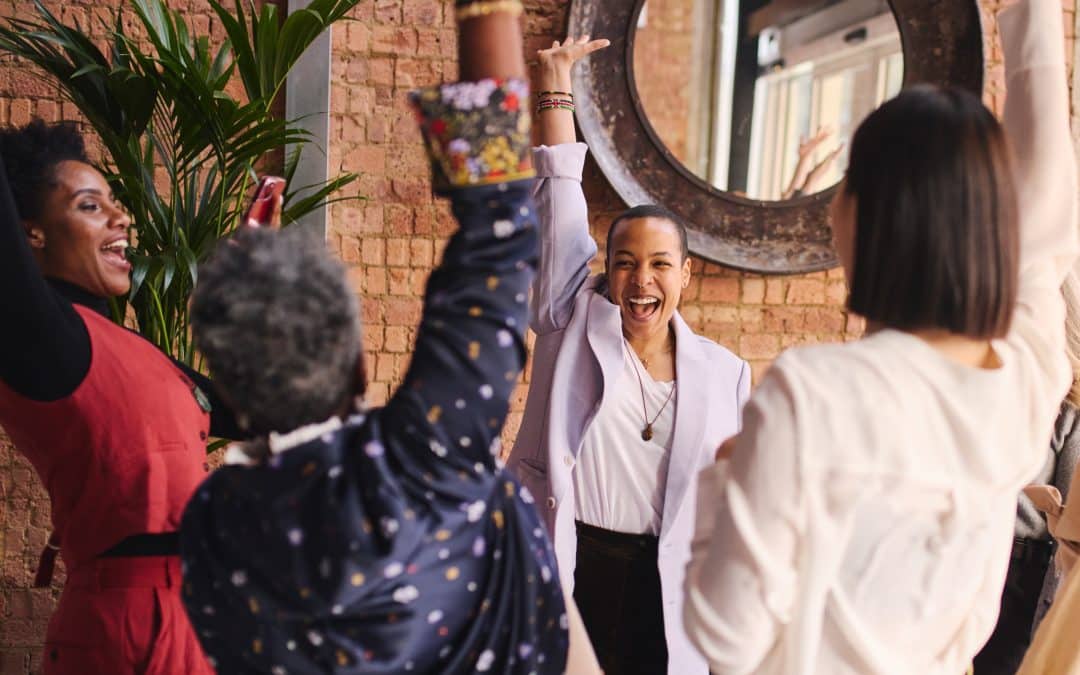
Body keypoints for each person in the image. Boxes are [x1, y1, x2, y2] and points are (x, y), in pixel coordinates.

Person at [177, 3, 600, 674]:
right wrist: (484, 14)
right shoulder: (421, 457)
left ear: (226, 387)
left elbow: (499, 233)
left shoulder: (214, 525)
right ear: (356, 359)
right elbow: (498, 230)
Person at [682, 0, 1078, 673]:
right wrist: (1032, 20)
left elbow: (723, 637)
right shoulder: (1021, 378)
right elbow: (1046, 227)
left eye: (849, 183)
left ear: (881, 214)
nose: (834, 205)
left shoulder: (813, 395)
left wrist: (726, 475)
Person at [506, 37, 750, 675]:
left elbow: (735, 503)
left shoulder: (727, 375)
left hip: (666, 590)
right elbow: (559, 197)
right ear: (606, 272)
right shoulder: (570, 318)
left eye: (660, 265)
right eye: (625, 263)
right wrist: (556, 84)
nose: (642, 279)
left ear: (686, 275)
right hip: (573, 563)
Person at [0, 120, 246, 673]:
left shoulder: (137, 351)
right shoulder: (38, 333)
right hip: (128, 626)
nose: (122, 217)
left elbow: (262, 411)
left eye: (114, 203)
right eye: (90, 206)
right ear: (30, 234)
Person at [974, 273, 1080, 673]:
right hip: (977, 544)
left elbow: (1066, 512)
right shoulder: (988, 383)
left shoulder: (1067, 406)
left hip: (1021, 566)